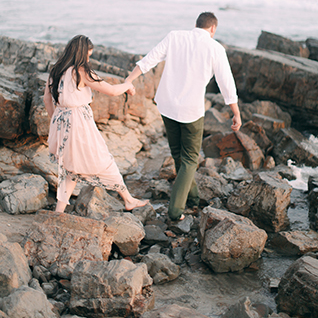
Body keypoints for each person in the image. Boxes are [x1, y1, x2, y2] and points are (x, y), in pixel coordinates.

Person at [125, 12, 241, 221]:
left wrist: (128, 80)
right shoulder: (215, 48)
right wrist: (236, 112)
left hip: (167, 105)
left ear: (195, 25)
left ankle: (193, 199)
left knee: (178, 153)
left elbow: (148, 60)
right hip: (191, 110)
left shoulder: (175, 36)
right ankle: (175, 210)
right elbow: (226, 83)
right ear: (213, 28)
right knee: (190, 160)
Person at [43, 34, 148, 213]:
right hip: (78, 123)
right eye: (88, 55)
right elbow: (112, 91)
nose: (88, 59)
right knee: (102, 159)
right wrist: (127, 85)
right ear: (82, 53)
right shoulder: (81, 71)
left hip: (60, 122)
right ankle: (129, 200)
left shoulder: (55, 70)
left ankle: (59, 212)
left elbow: (47, 99)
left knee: (70, 167)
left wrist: (56, 121)